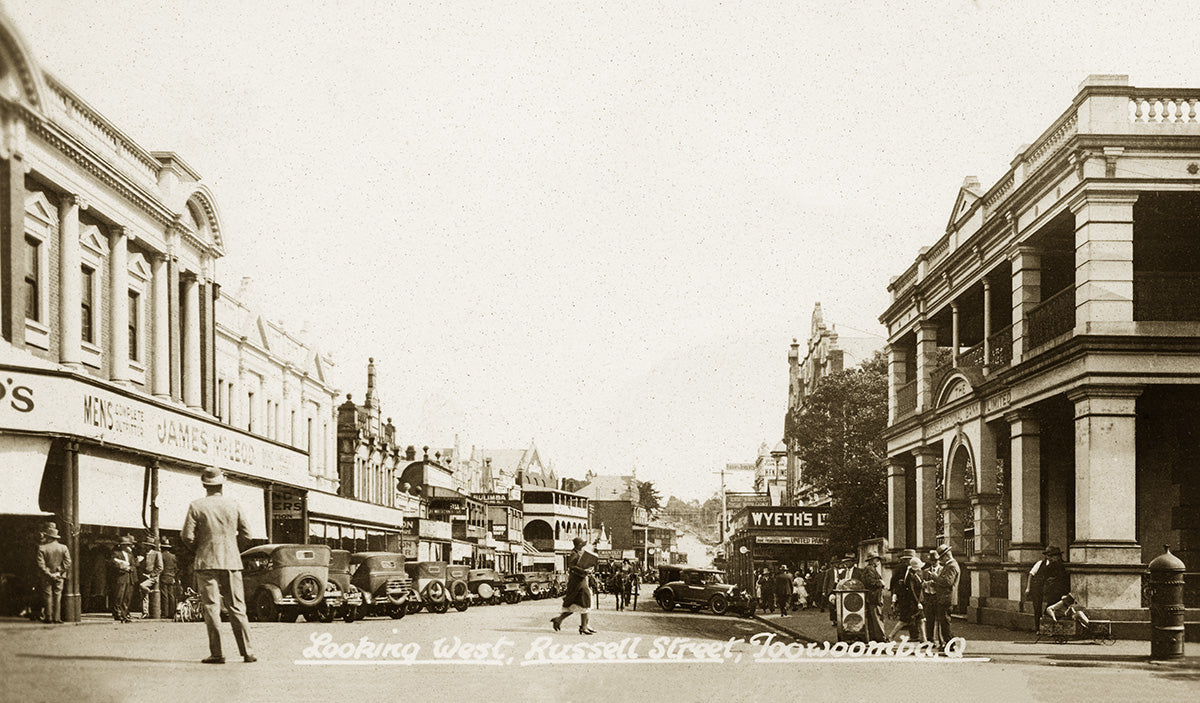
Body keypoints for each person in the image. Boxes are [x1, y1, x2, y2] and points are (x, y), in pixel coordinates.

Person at [181, 467, 256, 664]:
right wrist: (232, 547)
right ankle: (247, 652)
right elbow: (247, 534)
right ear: (222, 484)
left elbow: (187, 536)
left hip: (206, 562)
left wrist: (201, 547)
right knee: (237, 607)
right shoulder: (234, 505)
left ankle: (217, 653)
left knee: (211, 607)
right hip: (231, 561)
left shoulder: (196, 506)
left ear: (204, 485)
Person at [551, 537, 596, 635]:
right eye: (582, 545)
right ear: (579, 545)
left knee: (580, 603)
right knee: (583, 601)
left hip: (581, 579)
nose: (583, 546)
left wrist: (589, 568)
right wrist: (583, 571)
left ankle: (561, 620)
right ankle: (583, 626)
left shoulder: (579, 553)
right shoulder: (574, 554)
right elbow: (571, 567)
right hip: (577, 581)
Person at [1025, 546, 1067, 632]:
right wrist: (1028, 588)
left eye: (1053, 556)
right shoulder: (1040, 563)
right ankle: (1038, 628)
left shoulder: (1059, 565)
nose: (1050, 558)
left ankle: (1047, 627)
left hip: (1049, 589)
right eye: (1049, 555)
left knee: (1050, 607)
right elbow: (1031, 574)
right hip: (1037, 587)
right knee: (1037, 608)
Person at [36, 523, 71, 624]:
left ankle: (49, 617)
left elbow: (41, 564)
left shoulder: (42, 548)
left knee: (47, 596)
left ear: (48, 537)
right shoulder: (63, 547)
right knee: (58, 595)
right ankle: (57, 617)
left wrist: (49, 573)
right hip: (59, 576)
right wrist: (59, 571)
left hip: (46, 576)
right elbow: (68, 562)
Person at [888, 556, 925, 641]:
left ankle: (924, 639)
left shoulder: (917, 574)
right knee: (904, 620)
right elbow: (912, 591)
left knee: (921, 620)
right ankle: (891, 636)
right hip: (911, 602)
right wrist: (918, 603)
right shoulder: (910, 576)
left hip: (915, 601)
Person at [930, 544, 960, 647]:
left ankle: (950, 645)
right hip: (944, 598)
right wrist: (934, 583)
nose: (941, 560)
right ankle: (949, 644)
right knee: (944, 623)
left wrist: (935, 577)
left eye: (941, 557)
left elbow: (948, 582)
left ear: (946, 556)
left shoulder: (952, 566)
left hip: (946, 598)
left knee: (945, 623)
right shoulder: (949, 565)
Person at [109, 535, 137, 623]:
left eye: (127, 544)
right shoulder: (116, 553)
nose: (126, 546)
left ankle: (125, 614)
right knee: (119, 596)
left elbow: (134, 565)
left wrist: (130, 568)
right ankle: (118, 614)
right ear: (120, 545)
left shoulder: (130, 555)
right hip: (121, 577)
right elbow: (113, 564)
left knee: (127, 597)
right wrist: (122, 567)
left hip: (129, 578)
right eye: (124, 544)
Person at [861, 551, 887, 641]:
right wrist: (880, 583)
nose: (878, 562)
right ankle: (881, 638)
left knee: (873, 618)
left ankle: (874, 638)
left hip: (872, 597)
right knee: (877, 617)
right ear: (872, 560)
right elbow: (870, 582)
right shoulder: (870, 569)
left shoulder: (870, 569)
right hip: (874, 596)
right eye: (877, 559)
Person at [822, 555, 855, 625]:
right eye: (835, 563)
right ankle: (833, 619)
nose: (836, 564)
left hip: (839, 587)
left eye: (837, 563)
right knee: (831, 604)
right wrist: (824, 591)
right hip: (831, 589)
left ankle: (838, 618)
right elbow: (826, 581)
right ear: (832, 564)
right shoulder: (829, 571)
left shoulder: (842, 571)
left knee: (839, 604)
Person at [138, 536, 163, 619]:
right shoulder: (143, 553)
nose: (146, 547)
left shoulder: (156, 553)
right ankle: (145, 612)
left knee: (142, 586)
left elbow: (160, 567)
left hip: (152, 577)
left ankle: (150, 592)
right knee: (143, 595)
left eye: (147, 545)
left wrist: (151, 575)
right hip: (144, 575)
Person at [160, 538, 179, 620]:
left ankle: (165, 612)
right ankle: (172, 612)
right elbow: (176, 568)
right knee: (171, 595)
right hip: (171, 577)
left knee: (164, 595)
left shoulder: (161, 556)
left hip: (164, 576)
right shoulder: (173, 556)